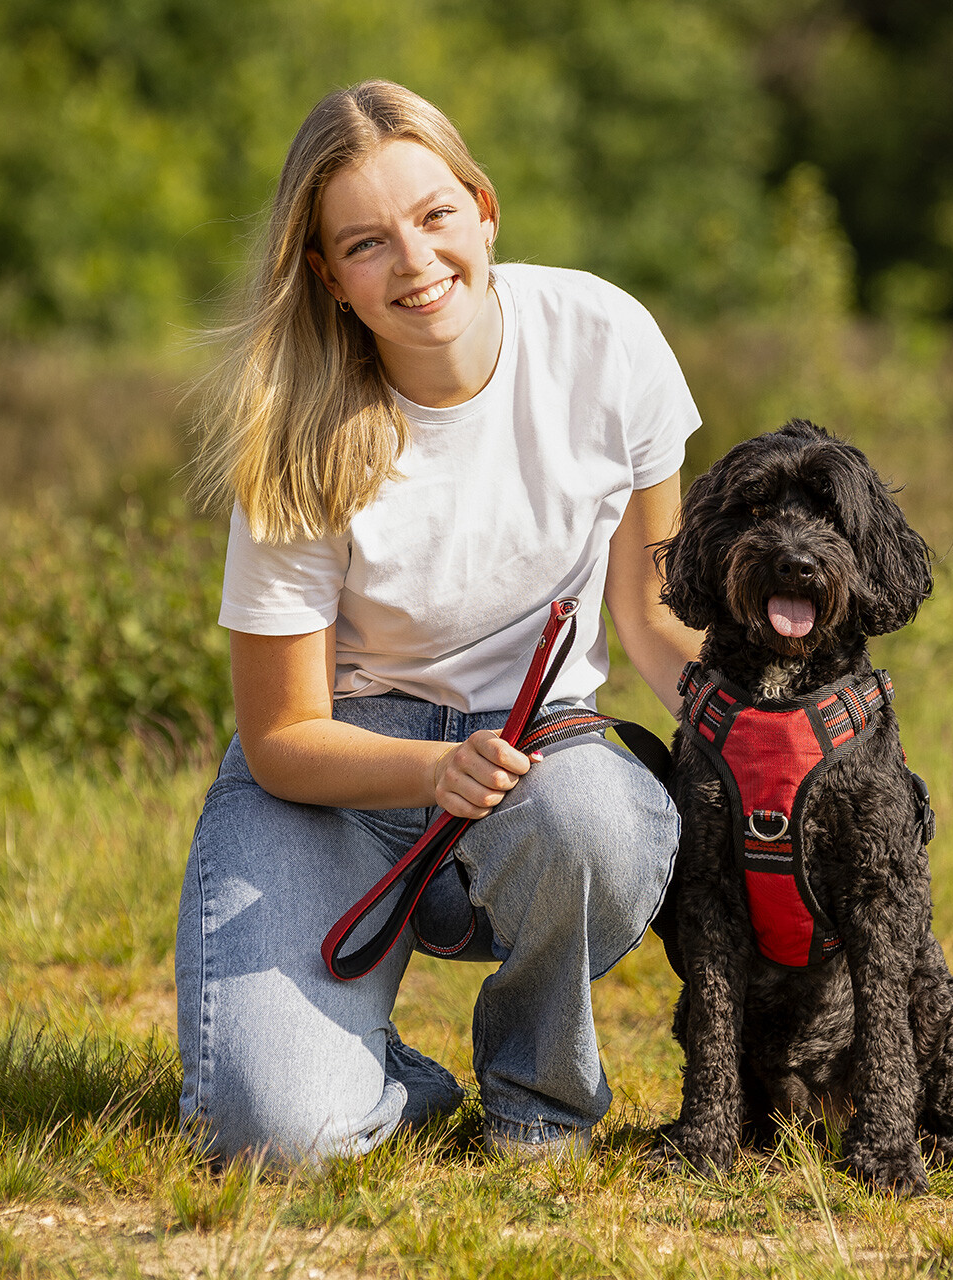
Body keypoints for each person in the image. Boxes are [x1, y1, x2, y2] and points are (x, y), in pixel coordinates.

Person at [176, 79, 704, 1165]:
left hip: (536, 759)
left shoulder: (606, 339)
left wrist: (766, 737)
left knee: (593, 821)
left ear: (483, 206)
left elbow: (648, 611)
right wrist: (428, 774)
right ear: (325, 275)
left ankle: (536, 1103)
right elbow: (281, 736)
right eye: (365, 243)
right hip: (339, 778)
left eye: (433, 217)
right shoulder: (294, 435)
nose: (414, 263)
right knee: (273, 1140)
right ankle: (389, 1075)